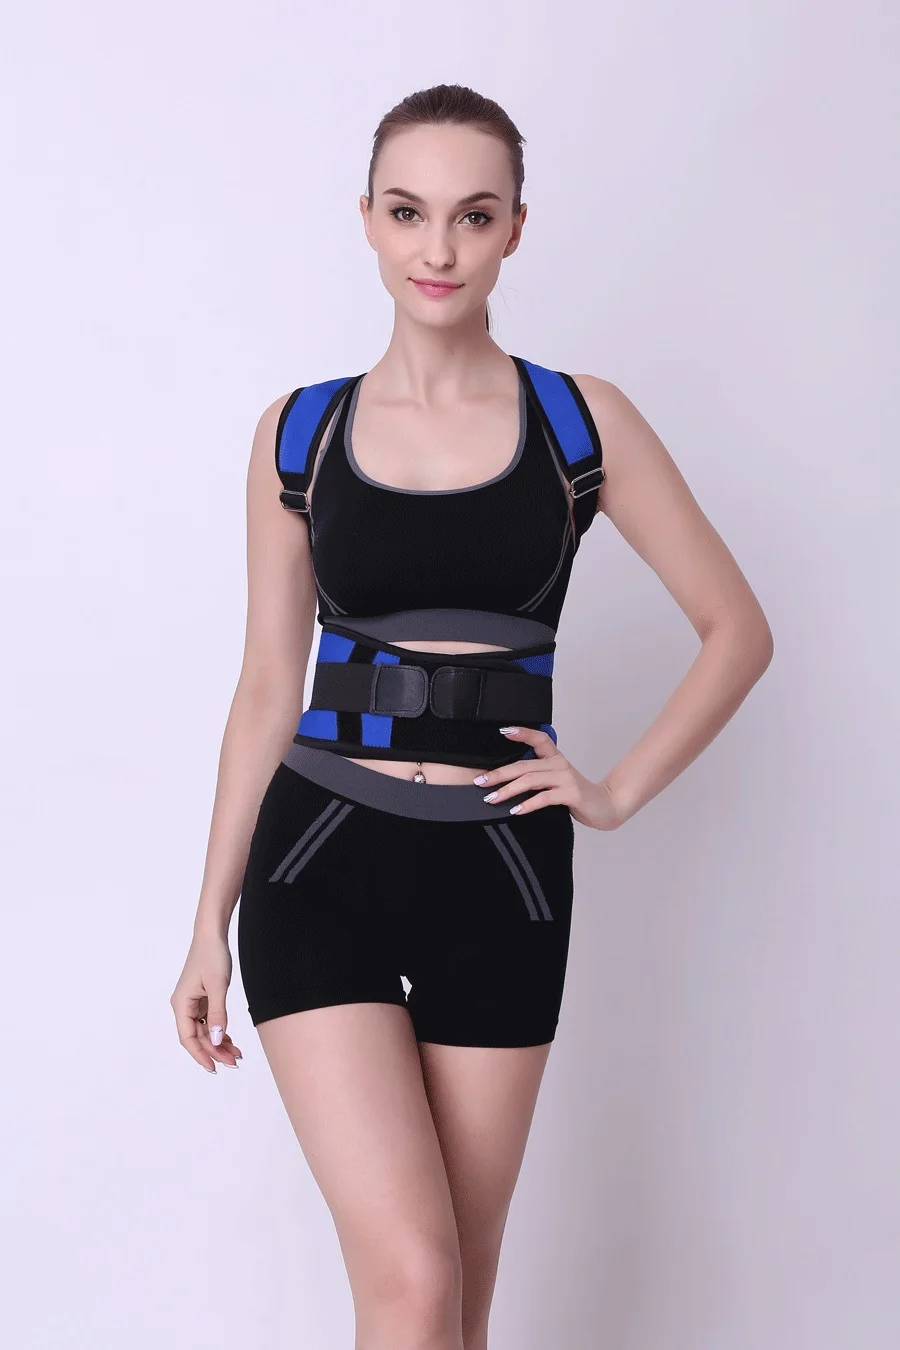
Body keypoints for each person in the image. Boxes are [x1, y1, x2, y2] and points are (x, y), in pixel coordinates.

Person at [170, 83, 773, 1350]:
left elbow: (737, 628)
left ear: (514, 230)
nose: (437, 248)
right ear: (367, 220)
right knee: (411, 1279)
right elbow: (268, 685)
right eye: (408, 213)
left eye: (473, 215)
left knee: (460, 1299)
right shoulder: (299, 432)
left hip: (504, 872)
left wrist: (613, 791)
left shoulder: (580, 422)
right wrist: (207, 923)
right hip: (319, 863)